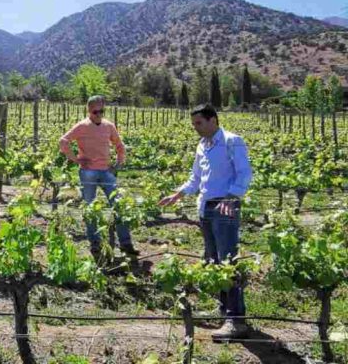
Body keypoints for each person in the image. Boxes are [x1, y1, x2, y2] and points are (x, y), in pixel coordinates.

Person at [159, 104, 253, 339]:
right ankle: (224, 311)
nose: (196, 129)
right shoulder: (202, 145)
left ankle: (236, 319)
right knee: (212, 260)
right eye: (194, 125)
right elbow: (196, 178)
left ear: (213, 120)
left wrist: (232, 197)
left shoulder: (233, 141)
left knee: (228, 261)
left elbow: (244, 173)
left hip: (225, 206)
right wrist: (178, 194)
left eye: (199, 123)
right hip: (206, 207)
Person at [59, 95, 138, 258]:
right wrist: (76, 159)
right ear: (89, 111)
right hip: (88, 172)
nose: (99, 115)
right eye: (96, 112)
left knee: (119, 206)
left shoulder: (108, 126)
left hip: (106, 172)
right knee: (90, 208)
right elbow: (63, 141)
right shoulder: (82, 126)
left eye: (102, 111)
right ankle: (95, 243)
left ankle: (126, 243)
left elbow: (119, 145)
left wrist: (118, 163)